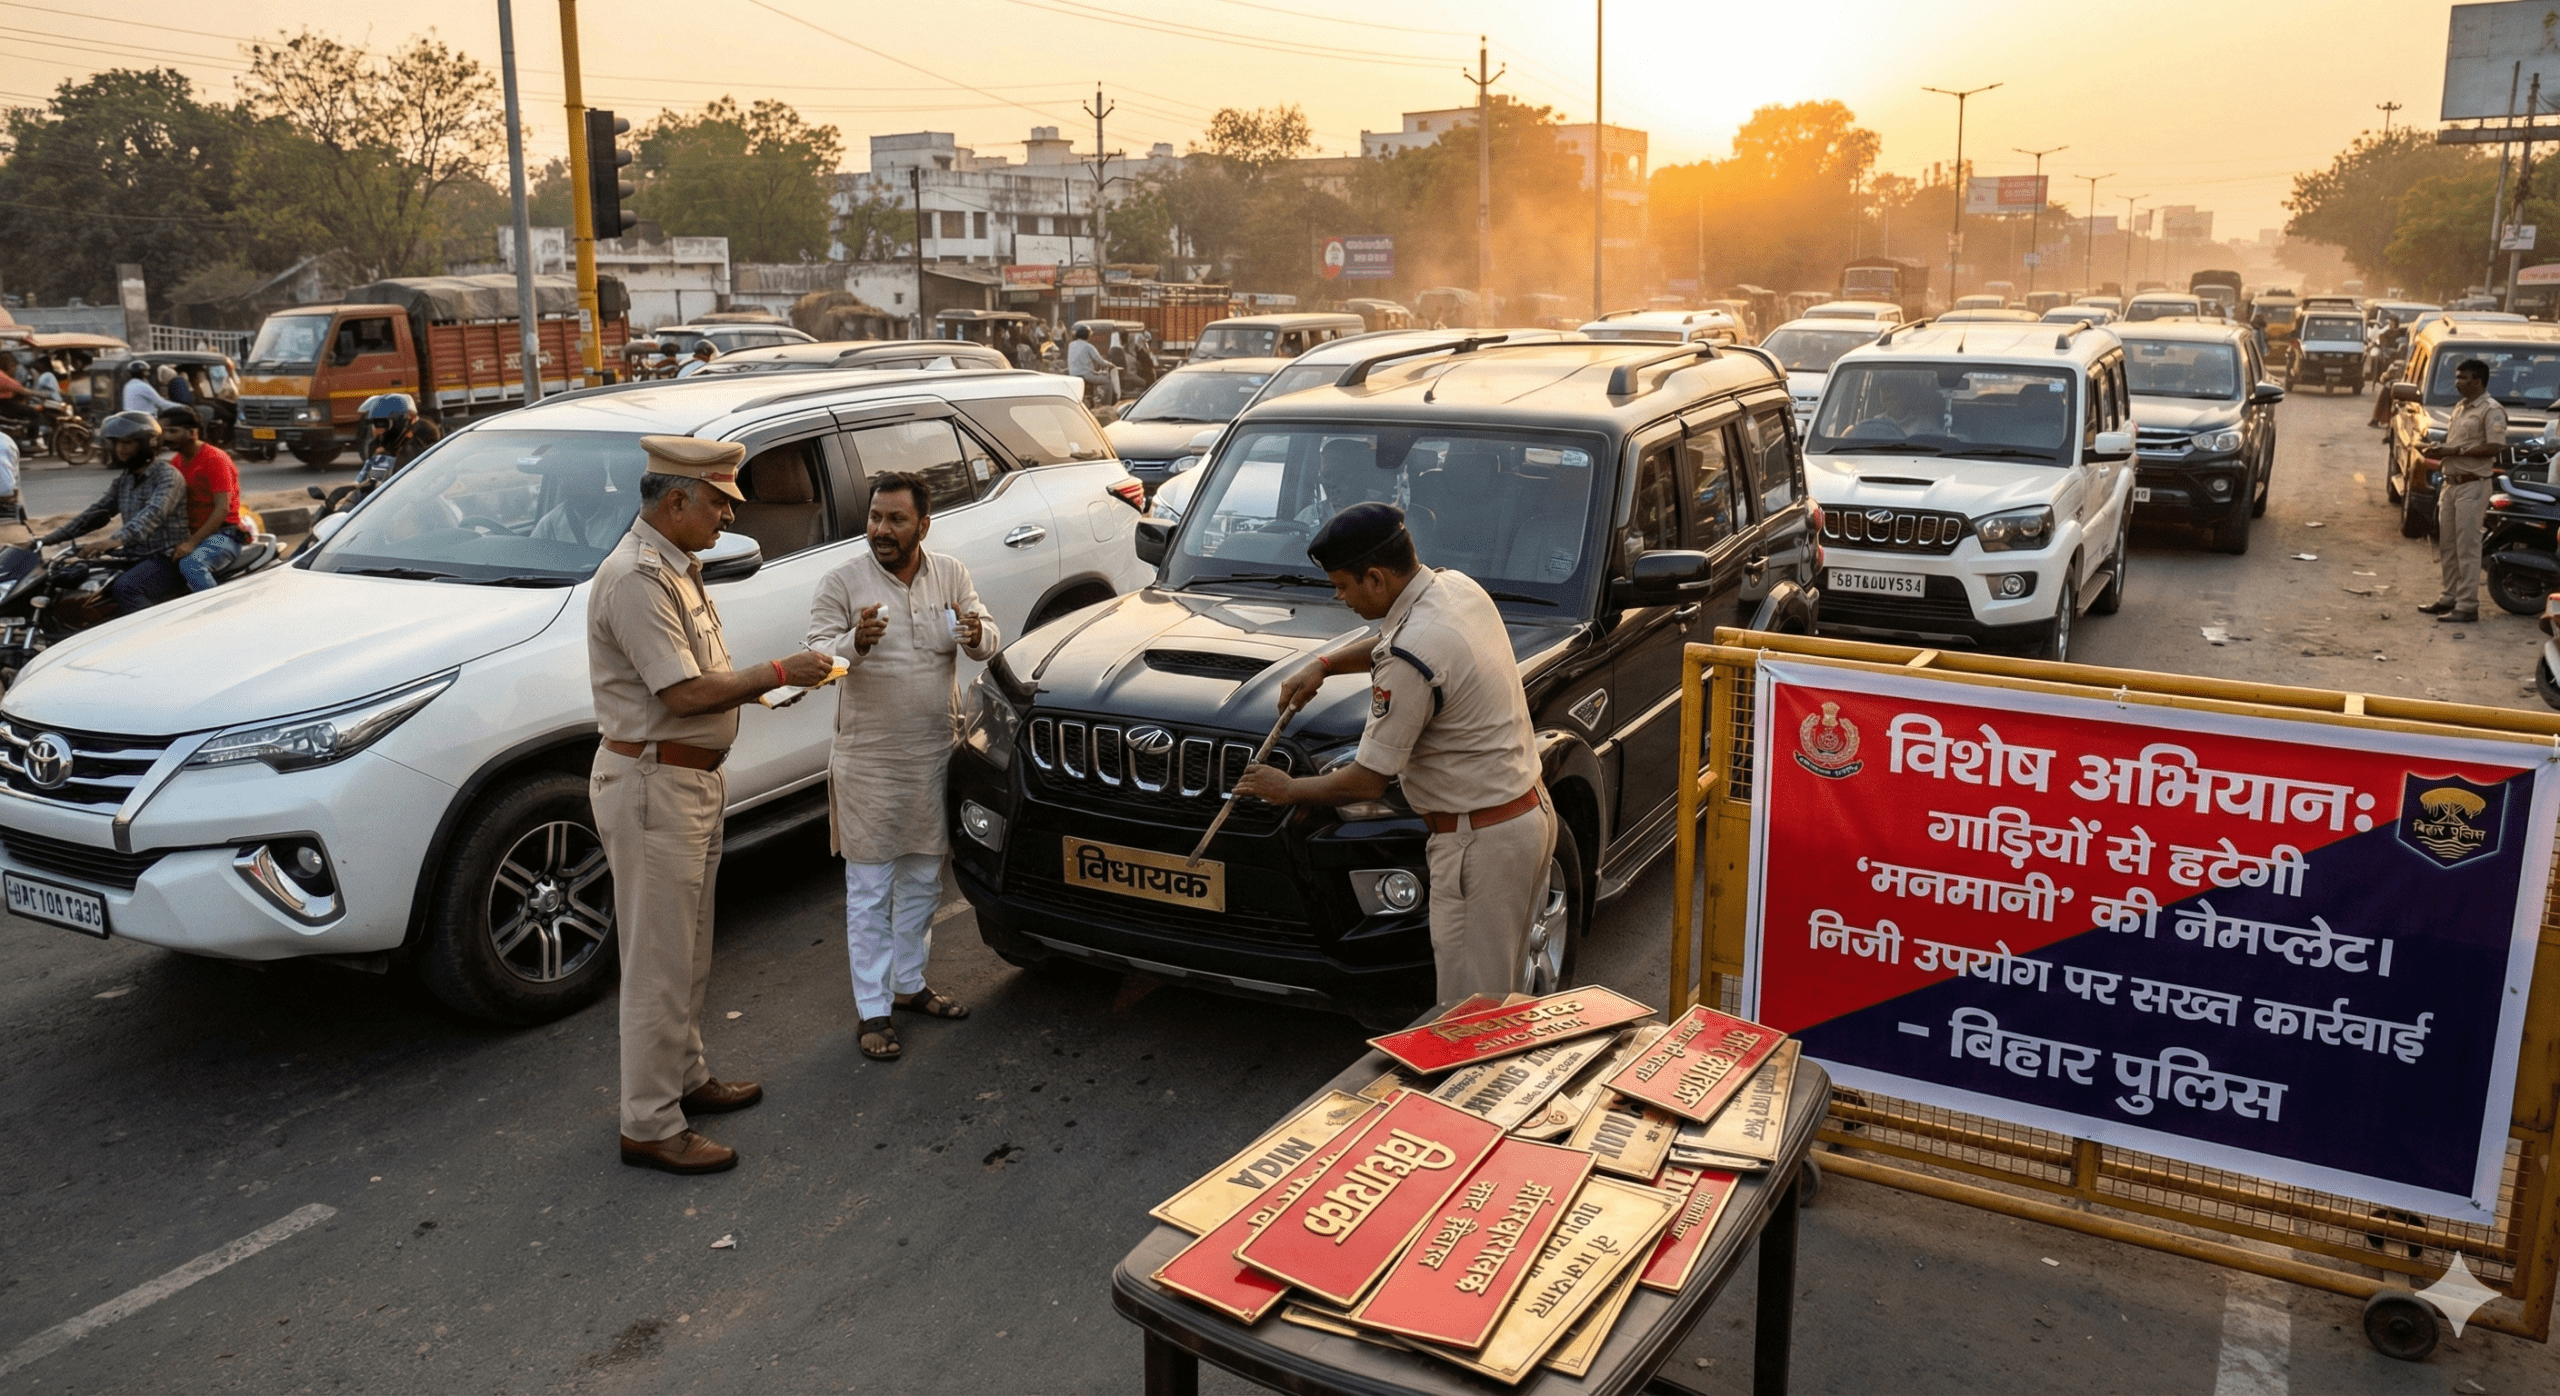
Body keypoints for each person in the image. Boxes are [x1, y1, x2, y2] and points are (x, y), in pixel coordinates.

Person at [587, 434, 835, 1174]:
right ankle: (649, 1123)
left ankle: (684, 1079)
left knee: (688, 954)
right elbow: (684, 692)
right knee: (658, 962)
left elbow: (701, 684)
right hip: (652, 784)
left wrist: (772, 682)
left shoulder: (676, 569)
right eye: (720, 505)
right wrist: (780, 670)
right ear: (676, 501)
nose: (727, 518)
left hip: (685, 779)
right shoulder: (636, 578)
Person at [1231, 502, 1557, 1002]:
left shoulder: (1412, 652)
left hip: (1480, 842)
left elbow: (1368, 780)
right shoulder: (1454, 589)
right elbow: (1396, 642)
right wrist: (1324, 663)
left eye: (1343, 585)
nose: (1340, 597)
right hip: (1523, 815)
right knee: (1503, 999)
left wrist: (1287, 788)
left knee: (1471, 1013)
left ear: (1377, 578)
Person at [803, 470, 998, 1062]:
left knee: (919, 882)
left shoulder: (951, 574)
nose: (881, 530)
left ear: (923, 525)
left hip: (933, 754)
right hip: (869, 761)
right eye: (875, 518)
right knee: (869, 890)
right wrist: (853, 644)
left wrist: (974, 634)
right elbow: (816, 657)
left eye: (895, 520)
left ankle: (908, 986)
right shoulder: (841, 582)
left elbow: (988, 635)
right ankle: (873, 1010)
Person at [36, 411, 188, 620]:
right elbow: (92, 515)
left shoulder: (167, 476)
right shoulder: (125, 480)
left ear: (148, 443)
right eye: (116, 443)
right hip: (133, 557)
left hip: (166, 558)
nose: (120, 449)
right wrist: (43, 540)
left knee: (127, 588)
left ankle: (150, 639)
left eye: (127, 443)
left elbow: (152, 515)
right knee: (71, 580)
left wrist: (112, 541)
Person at [2418, 357, 2508, 625]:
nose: (2457, 383)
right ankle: (2449, 597)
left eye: (2462, 378)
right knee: (2447, 545)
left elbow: (2495, 446)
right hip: (2452, 483)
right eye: (2457, 377)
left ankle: (2468, 605)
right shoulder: (2460, 408)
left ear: (2477, 381)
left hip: (2473, 485)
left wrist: (2454, 450)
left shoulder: (2491, 410)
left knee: (2467, 547)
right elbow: (2456, 443)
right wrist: (2438, 449)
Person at [158, 406, 245, 593]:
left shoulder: (214, 459)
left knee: (192, 565)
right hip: (192, 534)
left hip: (225, 535)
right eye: (163, 432)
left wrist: (191, 543)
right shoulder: (176, 462)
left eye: (173, 431)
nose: (167, 437)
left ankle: (214, 615)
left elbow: (221, 509)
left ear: (192, 432)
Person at [1295, 438, 1397, 523]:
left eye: (1341, 476)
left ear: (1360, 475)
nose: (1329, 483)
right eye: (1326, 476)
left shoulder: (1387, 512)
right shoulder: (1310, 516)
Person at [531, 462, 624, 548]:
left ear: (601, 479)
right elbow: (531, 557)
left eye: (583, 479)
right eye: (570, 481)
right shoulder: (550, 523)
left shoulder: (625, 516)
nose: (576, 488)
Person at [355, 392, 440, 469]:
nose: (377, 428)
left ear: (397, 422)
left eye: (382, 423)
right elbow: (372, 478)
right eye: (375, 423)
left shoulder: (416, 443)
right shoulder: (377, 445)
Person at [1066, 324, 1115, 406]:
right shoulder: (1088, 346)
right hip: (1086, 375)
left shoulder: (1071, 345)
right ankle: (1107, 406)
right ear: (1087, 335)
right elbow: (1100, 361)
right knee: (1108, 381)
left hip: (1073, 374)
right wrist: (1110, 364)